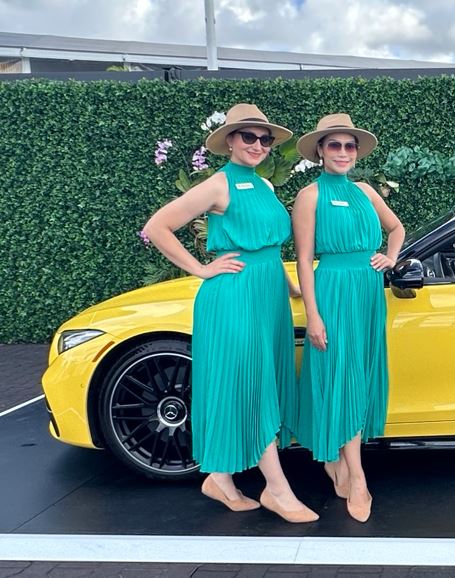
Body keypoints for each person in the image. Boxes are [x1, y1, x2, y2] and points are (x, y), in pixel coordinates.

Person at [143, 103, 318, 523]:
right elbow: (158, 226)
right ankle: (277, 490)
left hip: (268, 295)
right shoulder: (218, 184)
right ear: (229, 142)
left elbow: (270, 248)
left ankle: (219, 479)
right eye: (248, 137)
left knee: (262, 381)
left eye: (265, 138)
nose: (258, 145)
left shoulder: (266, 187)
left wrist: (295, 287)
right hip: (234, 296)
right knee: (253, 384)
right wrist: (202, 269)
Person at [291, 113, 404, 523]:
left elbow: (396, 228)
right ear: (320, 150)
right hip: (334, 291)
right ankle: (358, 477)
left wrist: (390, 257)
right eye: (334, 145)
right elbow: (304, 259)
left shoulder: (366, 191)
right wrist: (314, 314)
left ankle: (340, 460)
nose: (342, 152)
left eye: (349, 145)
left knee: (357, 377)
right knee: (342, 377)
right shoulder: (310, 195)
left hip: (368, 294)